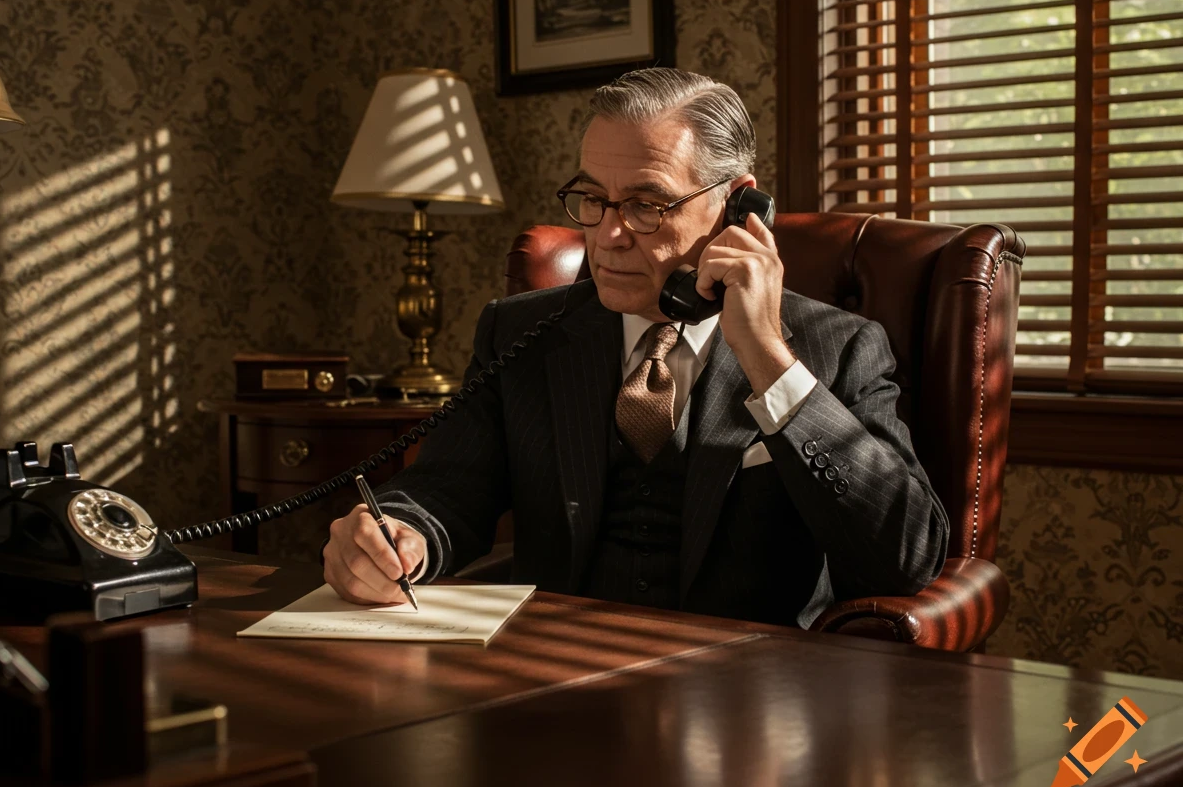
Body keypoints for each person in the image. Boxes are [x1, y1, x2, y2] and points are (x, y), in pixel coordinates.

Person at [321, 67, 949, 629]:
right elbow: (448, 490)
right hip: (549, 682)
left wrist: (767, 359)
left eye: (647, 204)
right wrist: (398, 536)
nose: (609, 235)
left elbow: (903, 560)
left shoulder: (837, 347)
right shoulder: (518, 334)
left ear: (736, 205)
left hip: (747, 703)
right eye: (593, 199)